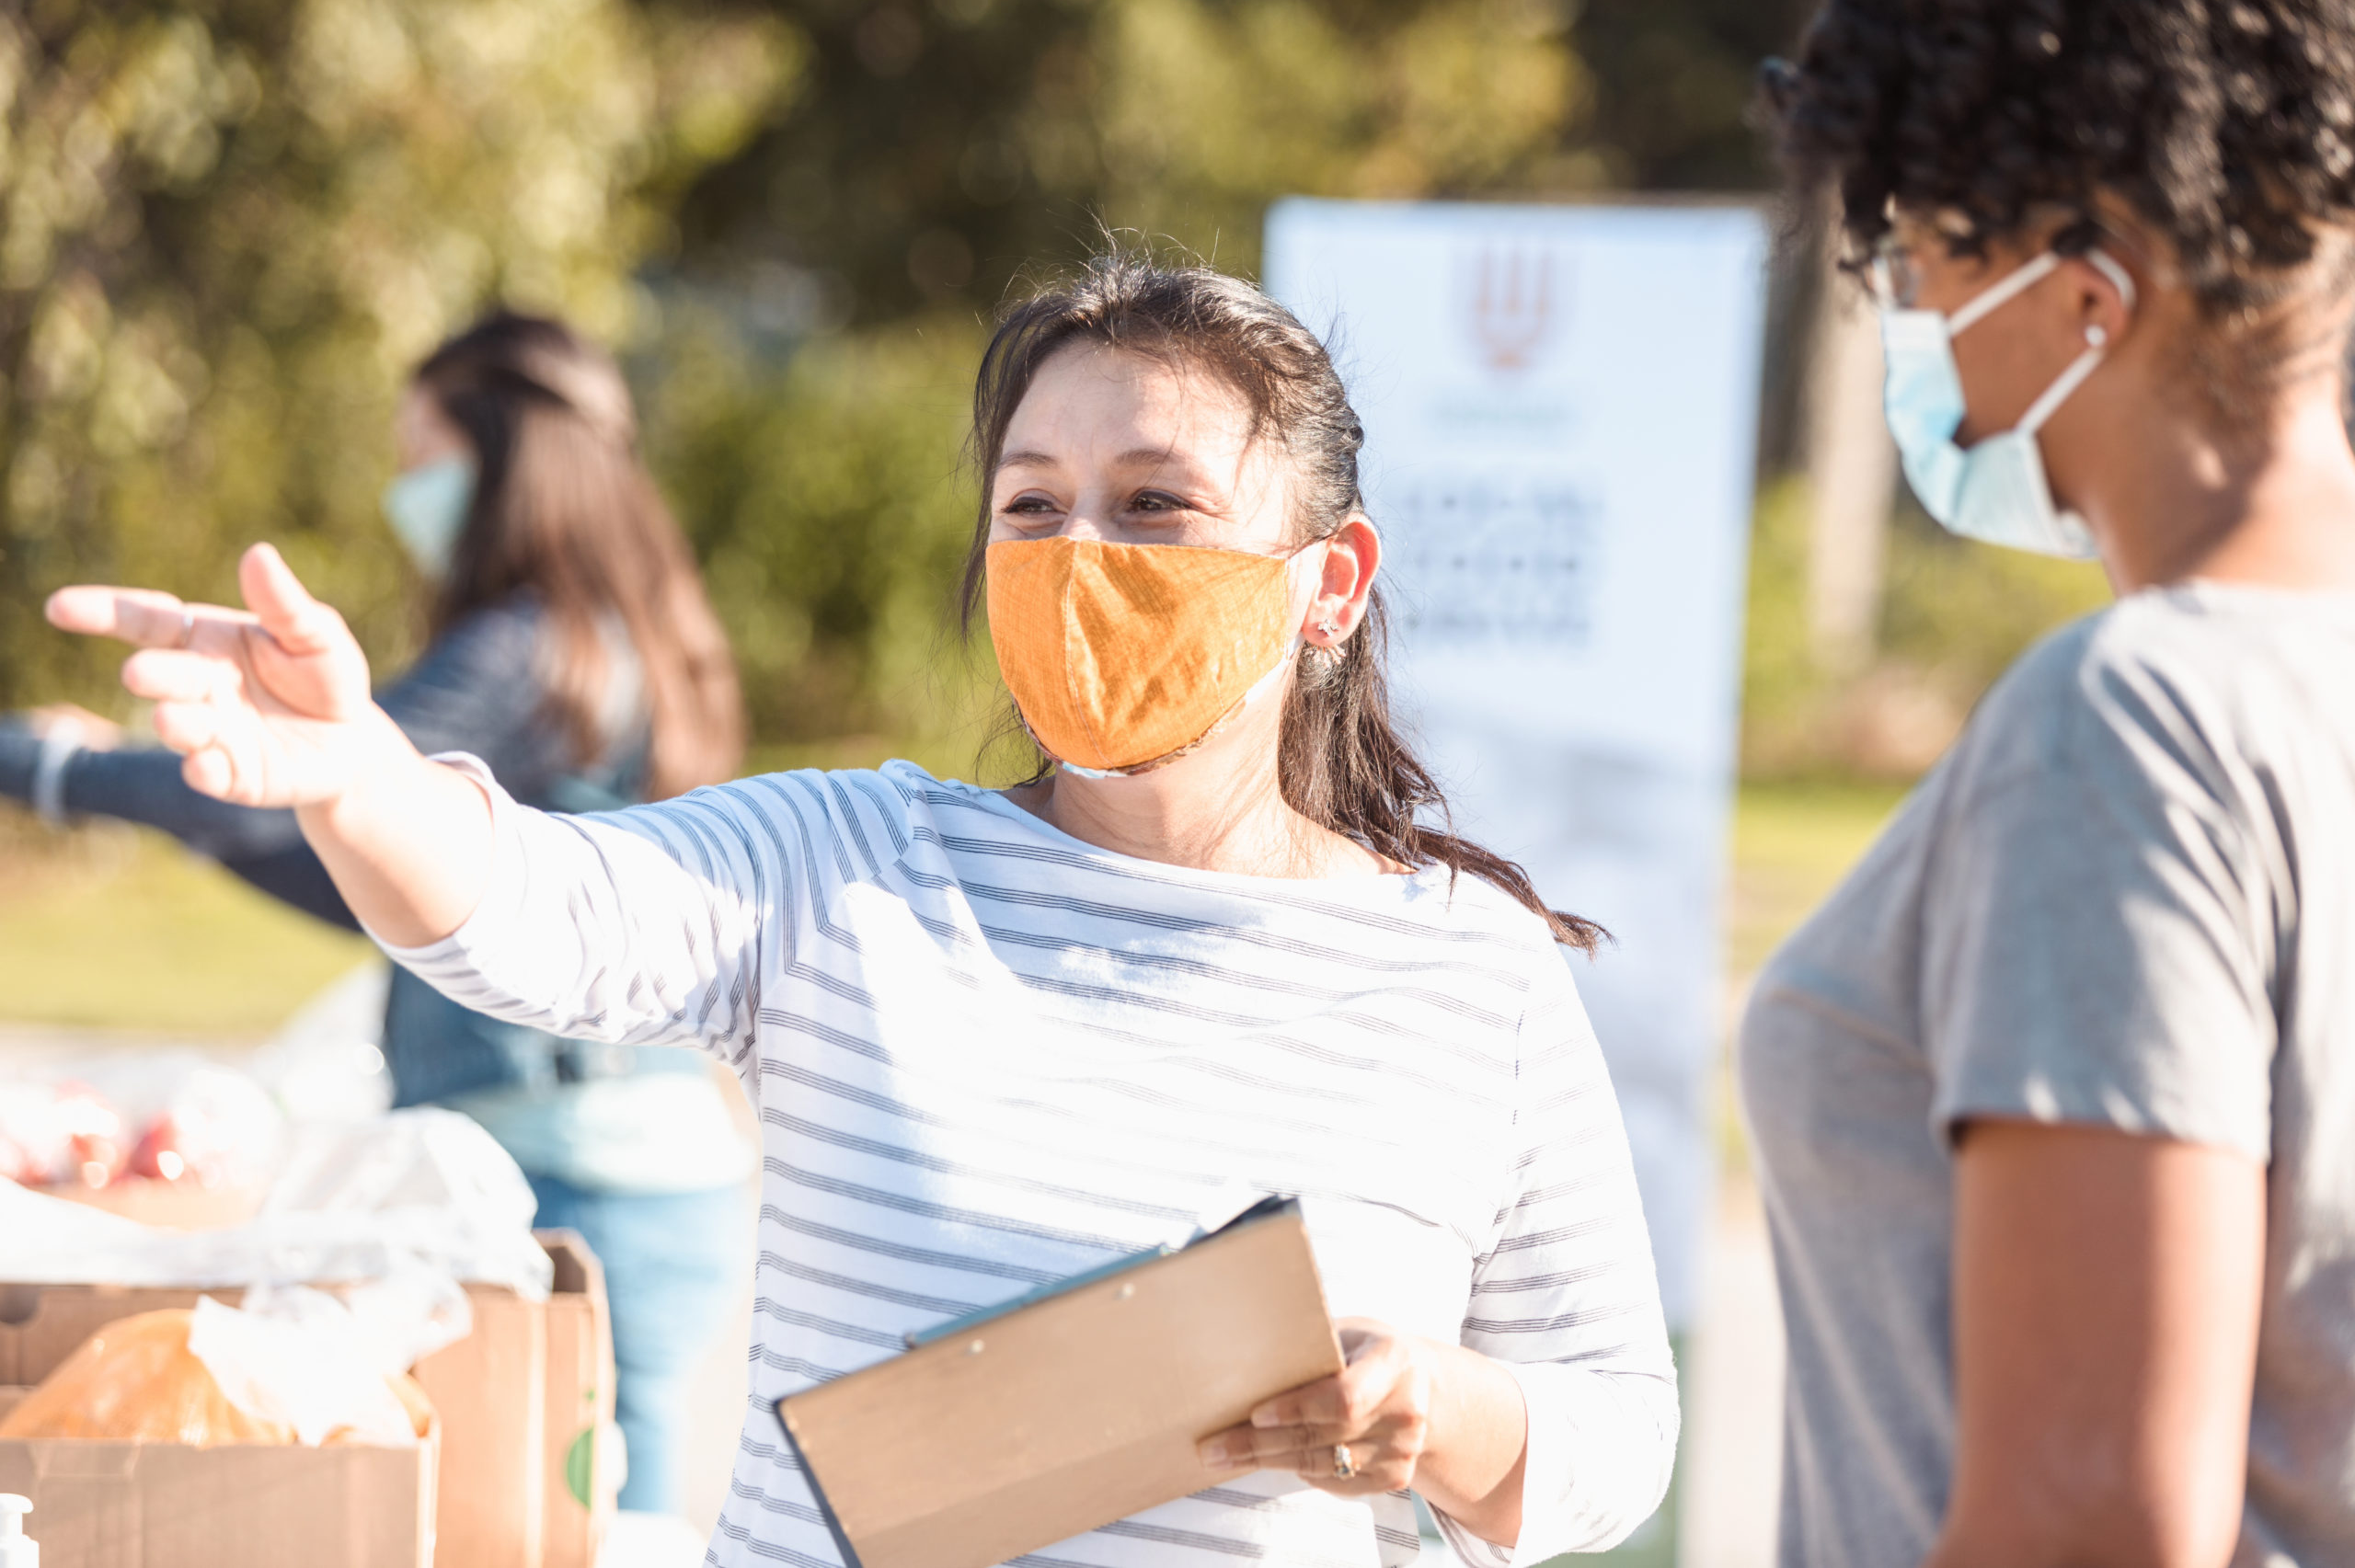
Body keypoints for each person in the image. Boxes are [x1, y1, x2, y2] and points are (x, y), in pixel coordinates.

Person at [38, 255, 1678, 1566]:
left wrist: (1444, 1413)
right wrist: (358, 777)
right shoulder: (853, 865)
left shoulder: (1471, 970)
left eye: (1154, 505)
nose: (1078, 552)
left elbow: (1617, 1429)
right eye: (1031, 505)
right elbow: (534, 907)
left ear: (1330, 583)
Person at [1741, 3, 2355, 1565]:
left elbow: (2090, 1514)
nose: (1914, 325)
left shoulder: (2133, 725)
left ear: (2089, 295)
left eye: (1922, 265)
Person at [0, 313, 754, 1517]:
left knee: (528, 1526)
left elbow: (315, 779)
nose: (408, 494)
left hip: (560, 1179)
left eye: (423, 459)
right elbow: (373, 878)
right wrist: (223, 818)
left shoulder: (528, 651)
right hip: (665, 1173)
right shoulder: (644, 644)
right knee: (625, 1527)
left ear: (505, 464)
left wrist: (52, 769)